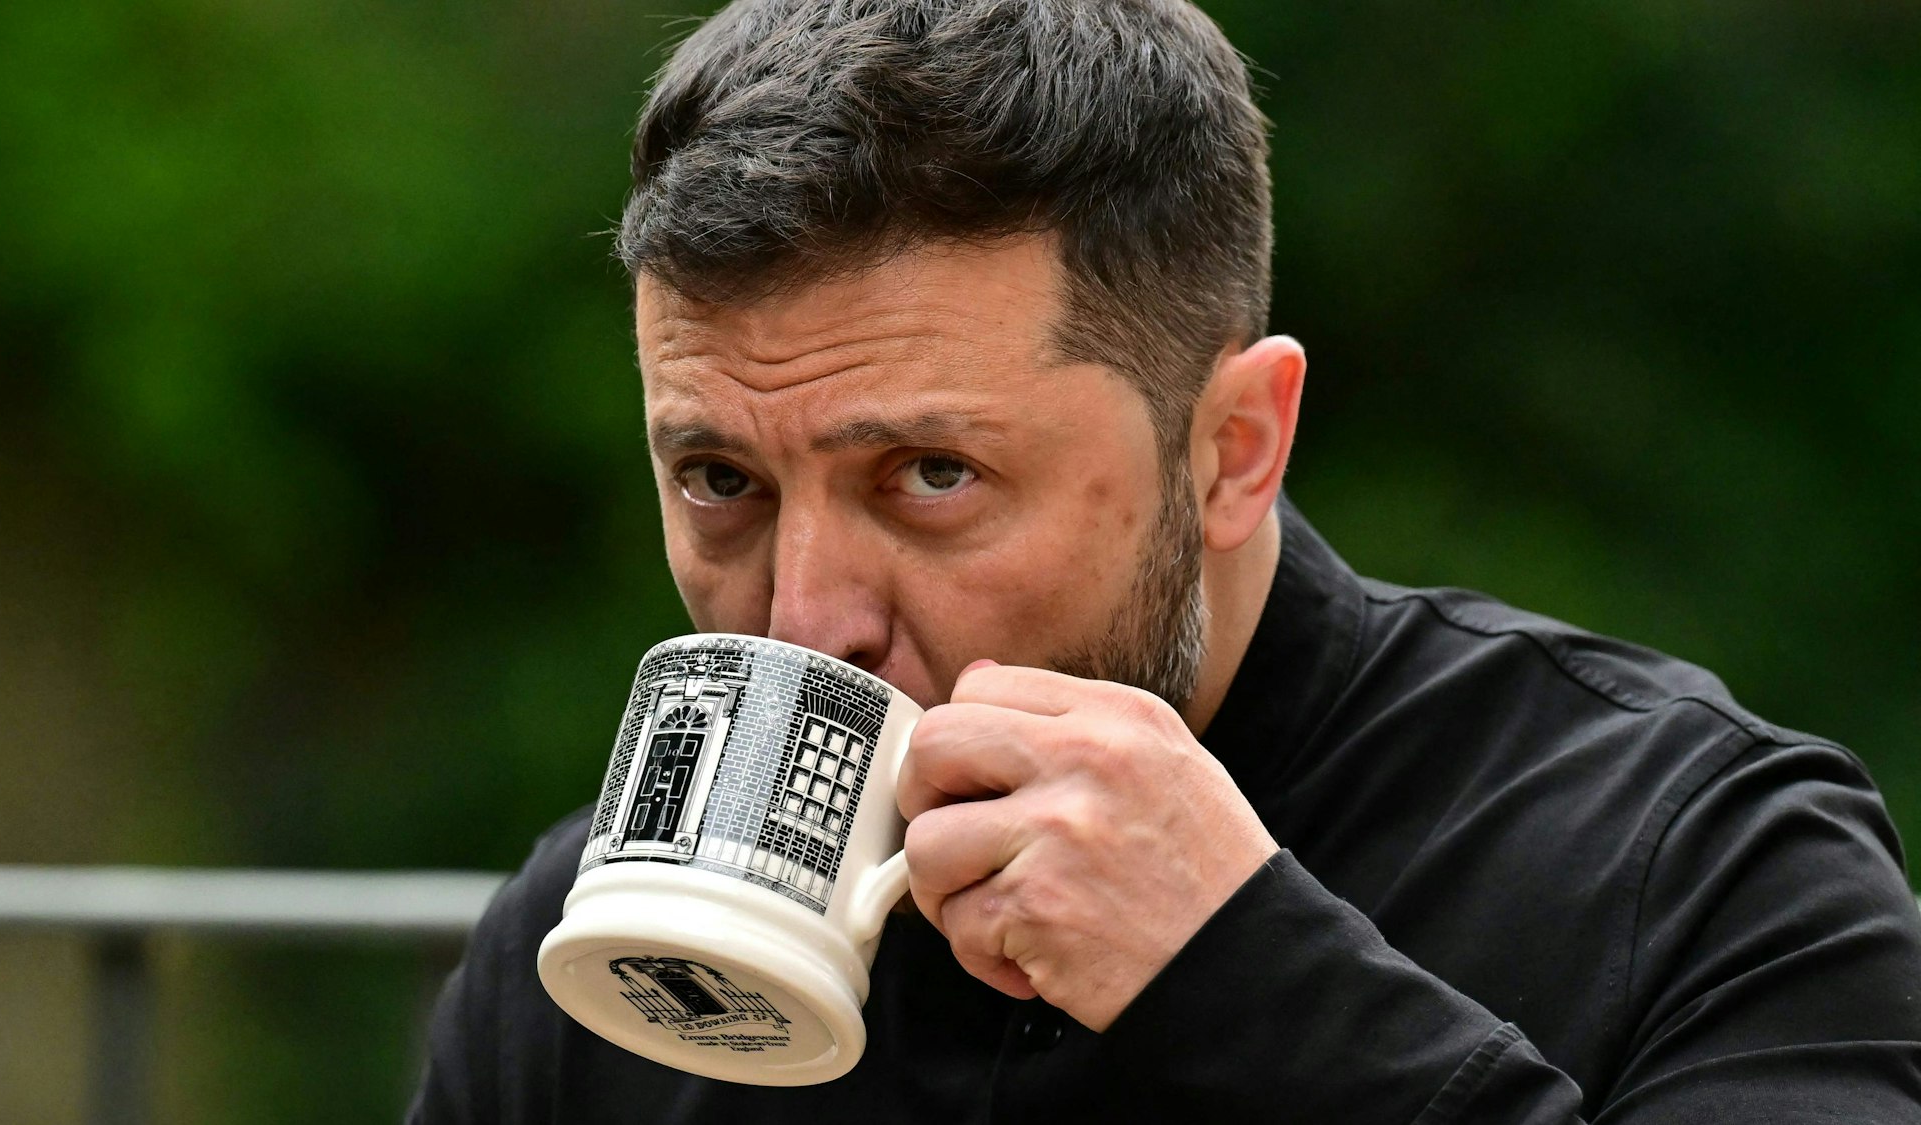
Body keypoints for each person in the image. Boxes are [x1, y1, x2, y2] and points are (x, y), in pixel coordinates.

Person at [408, 1, 1921, 1120]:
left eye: (933, 475)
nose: (809, 619)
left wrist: (1248, 978)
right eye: (722, 479)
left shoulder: (1696, 864)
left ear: (1234, 448)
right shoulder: (598, 960)